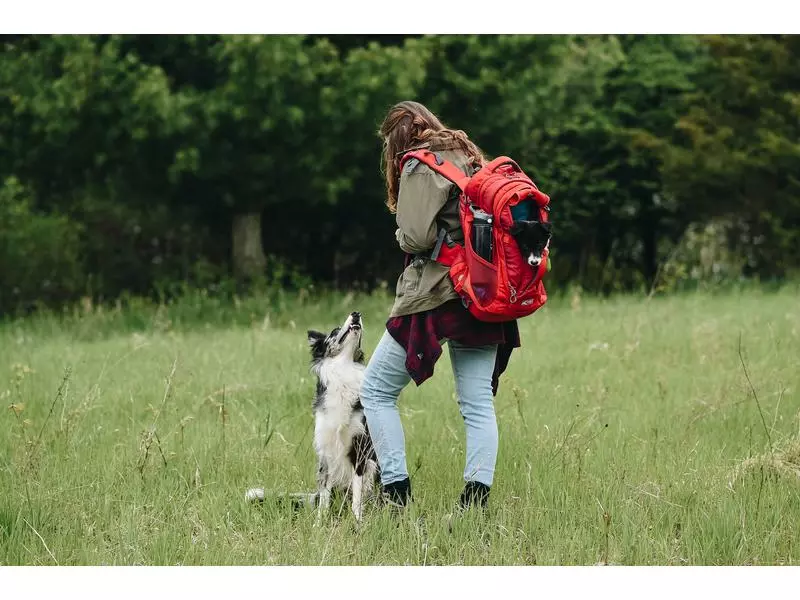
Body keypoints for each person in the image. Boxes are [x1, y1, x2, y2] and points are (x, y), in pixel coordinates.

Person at [360, 101, 521, 511]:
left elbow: (414, 237)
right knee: (477, 403)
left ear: (395, 139)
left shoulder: (419, 163)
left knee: (376, 390)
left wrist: (401, 238)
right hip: (484, 292)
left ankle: (396, 497)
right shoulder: (469, 154)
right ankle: (474, 503)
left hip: (439, 292)